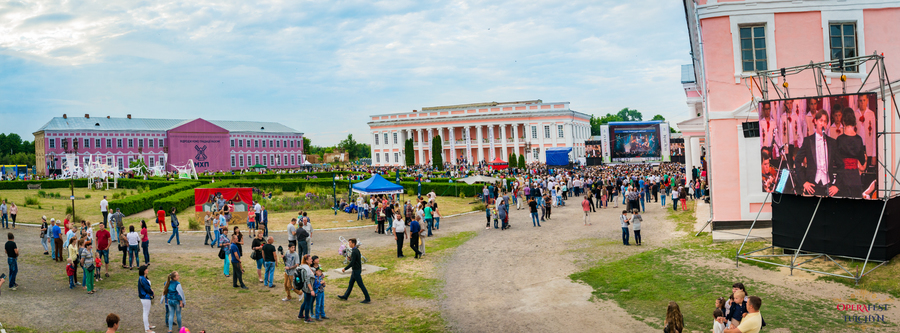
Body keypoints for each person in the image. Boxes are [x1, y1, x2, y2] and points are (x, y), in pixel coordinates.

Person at [795, 110, 840, 197]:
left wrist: (837, 185)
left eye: (825, 121)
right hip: (812, 185)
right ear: (815, 121)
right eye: (820, 120)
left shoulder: (832, 142)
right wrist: (804, 182)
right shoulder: (808, 141)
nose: (822, 124)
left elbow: (841, 165)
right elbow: (797, 160)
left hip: (827, 187)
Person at [337, 238, 370, 303]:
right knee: (350, 284)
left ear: (353, 244)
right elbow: (355, 260)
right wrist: (350, 259)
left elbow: (352, 263)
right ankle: (346, 296)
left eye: (350, 243)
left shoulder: (354, 251)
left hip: (356, 271)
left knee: (361, 285)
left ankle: (367, 298)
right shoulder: (356, 250)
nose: (349, 244)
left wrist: (345, 268)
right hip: (356, 270)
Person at [138, 265, 156, 333]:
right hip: (145, 297)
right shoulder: (142, 278)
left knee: (146, 312)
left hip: (145, 296)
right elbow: (146, 288)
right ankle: (147, 329)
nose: (147, 270)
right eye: (146, 269)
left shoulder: (142, 278)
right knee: (145, 312)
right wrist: (152, 293)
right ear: (144, 271)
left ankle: (148, 325)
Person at [298, 254, 316, 323]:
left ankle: (300, 314)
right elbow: (308, 280)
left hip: (304, 287)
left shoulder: (303, 266)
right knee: (308, 303)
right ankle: (307, 318)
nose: (312, 260)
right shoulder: (307, 268)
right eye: (310, 259)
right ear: (306, 261)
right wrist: (311, 290)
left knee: (305, 301)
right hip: (307, 288)